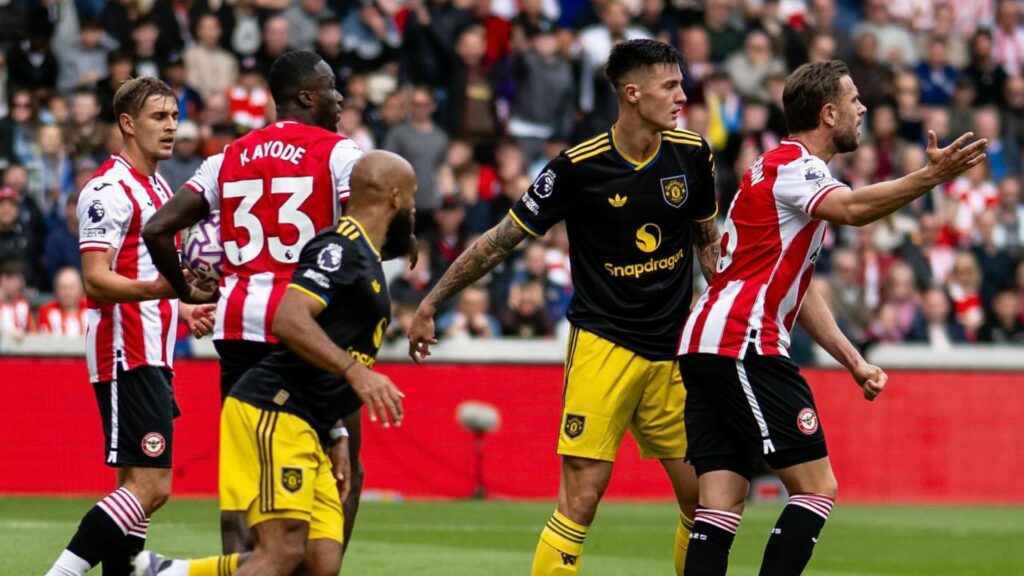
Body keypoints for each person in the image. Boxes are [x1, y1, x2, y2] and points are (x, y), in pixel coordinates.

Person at [407, 39, 720, 576]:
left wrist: (727, 325)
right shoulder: (578, 167)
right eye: (669, 86)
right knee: (581, 499)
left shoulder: (693, 153)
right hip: (604, 344)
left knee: (705, 501)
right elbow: (500, 240)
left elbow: (707, 245)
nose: (682, 96)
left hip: (673, 350)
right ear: (631, 92)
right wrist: (431, 301)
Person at [677, 60, 987, 576]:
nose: (863, 109)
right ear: (828, 113)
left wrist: (852, 360)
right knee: (817, 489)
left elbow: (799, 289)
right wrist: (931, 176)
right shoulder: (796, 166)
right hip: (743, 342)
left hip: (707, 343)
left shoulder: (772, 168)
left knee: (720, 502)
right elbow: (854, 210)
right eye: (855, 100)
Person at [133, 150, 415, 576]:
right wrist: (356, 374)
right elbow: (289, 318)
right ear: (395, 198)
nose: (415, 206)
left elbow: (334, 340)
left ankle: (170, 572)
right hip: (275, 410)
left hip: (312, 421)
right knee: (279, 554)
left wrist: (336, 428)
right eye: (412, 197)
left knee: (322, 562)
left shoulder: (367, 257)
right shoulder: (339, 248)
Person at [141, 50, 365, 555]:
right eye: (331, 87)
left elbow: (157, 230)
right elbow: (367, 230)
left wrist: (185, 291)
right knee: (340, 458)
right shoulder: (339, 153)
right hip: (307, 327)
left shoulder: (228, 157)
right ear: (306, 96)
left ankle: (239, 566)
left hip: (238, 325)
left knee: (245, 469)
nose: (340, 97)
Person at [44, 76, 216, 576]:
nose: (171, 126)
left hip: (154, 351)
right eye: (159, 117)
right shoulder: (107, 189)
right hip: (126, 351)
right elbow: (96, 281)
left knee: (134, 485)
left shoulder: (160, 187)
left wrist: (184, 309)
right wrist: (171, 291)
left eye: (174, 116)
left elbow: (147, 273)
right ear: (127, 123)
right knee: (153, 487)